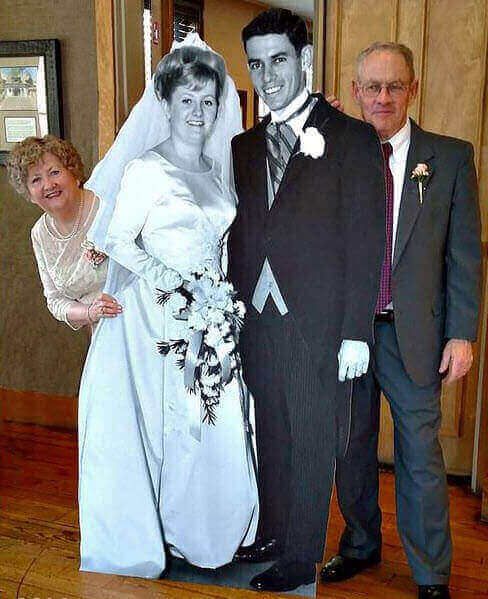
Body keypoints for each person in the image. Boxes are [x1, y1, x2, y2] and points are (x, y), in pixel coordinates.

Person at [77, 36, 258, 578]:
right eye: (187, 101)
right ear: (167, 103)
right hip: (158, 314)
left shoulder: (216, 168)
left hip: (212, 310)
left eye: (208, 101)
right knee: (171, 421)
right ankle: (170, 531)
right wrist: (177, 285)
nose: (199, 113)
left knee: (216, 417)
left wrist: (214, 297)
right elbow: (119, 241)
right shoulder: (145, 171)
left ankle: (214, 532)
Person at [227, 9, 385, 592]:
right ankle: (271, 532)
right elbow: (243, 233)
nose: (268, 76)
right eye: (257, 64)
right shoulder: (243, 147)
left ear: (306, 61)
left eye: (280, 61)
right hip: (256, 319)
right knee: (269, 428)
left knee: (316, 434)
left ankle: (300, 556)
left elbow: (366, 239)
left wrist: (355, 333)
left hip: (321, 323)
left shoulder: (351, 138)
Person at [321, 42, 482, 599]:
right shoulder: (333, 154)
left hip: (414, 336)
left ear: (413, 89)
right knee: (351, 447)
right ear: (357, 91)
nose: (382, 97)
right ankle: (361, 544)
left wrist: (462, 333)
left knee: (420, 457)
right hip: (345, 333)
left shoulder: (451, 157)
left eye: (394, 86)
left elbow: (464, 255)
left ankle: (431, 573)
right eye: (372, 87)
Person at [6, 135, 121, 330]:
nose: (48, 185)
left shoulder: (110, 209)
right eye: (36, 180)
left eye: (54, 172)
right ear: (29, 194)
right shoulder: (40, 234)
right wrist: (89, 313)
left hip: (142, 322)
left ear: (74, 175)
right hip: (101, 333)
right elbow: (55, 300)